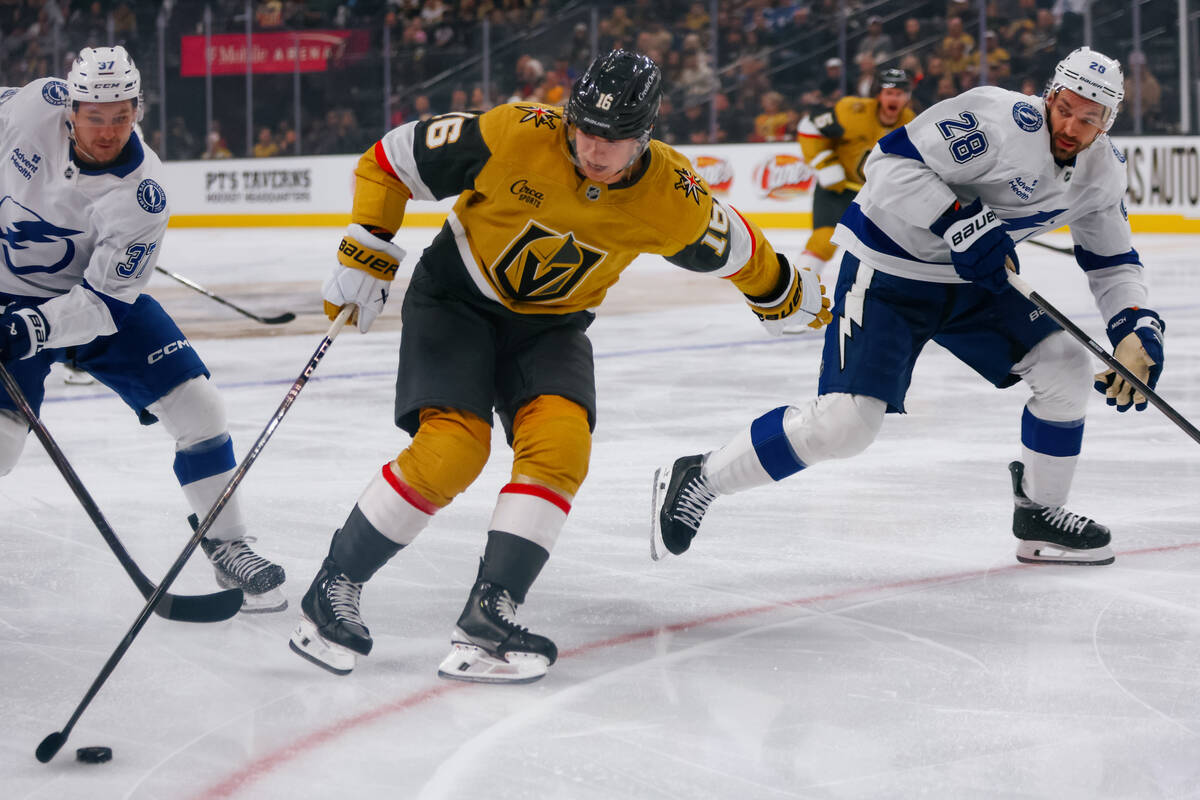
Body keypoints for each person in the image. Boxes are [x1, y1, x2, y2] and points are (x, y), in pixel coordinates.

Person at [288, 49, 832, 682]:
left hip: (550, 327)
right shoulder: (518, 131)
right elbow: (391, 160)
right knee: (453, 450)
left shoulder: (671, 196)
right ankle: (332, 588)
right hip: (456, 302)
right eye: (586, 130)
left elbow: (735, 244)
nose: (595, 149)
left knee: (562, 445)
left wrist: (784, 291)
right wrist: (368, 246)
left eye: (615, 138)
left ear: (646, 135)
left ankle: (487, 617)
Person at [652, 47, 1163, 569]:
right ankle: (702, 475)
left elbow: (1112, 259)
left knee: (1065, 365)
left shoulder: (1104, 171)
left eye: (1090, 118)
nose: (1073, 126)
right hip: (889, 268)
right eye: (1067, 107)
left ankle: (1040, 513)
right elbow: (888, 165)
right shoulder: (1000, 119)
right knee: (847, 425)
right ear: (1050, 95)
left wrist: (1134, 326)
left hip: (972, 279)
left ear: (1108, 123)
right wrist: (958, 220)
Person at [0, 46, 287, 613]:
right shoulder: (34, 106)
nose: (107, 130)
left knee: (199, 409)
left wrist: (29, 327)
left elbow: (105, 305)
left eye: (121, 116)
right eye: (94, 116)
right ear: (71, 108)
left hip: (86, 303)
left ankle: (228, 544)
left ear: (137, 110)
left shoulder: (143, 193)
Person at [796, 67, 914, 278]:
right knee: (823, 241)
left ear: (907, 97)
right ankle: (798, 285)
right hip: (838, 190)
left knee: (889, 253)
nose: (893, 98)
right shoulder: (852, 111)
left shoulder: (912, 123)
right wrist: (825, 164)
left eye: (899, 93)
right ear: (879, 95)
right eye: (889, 93)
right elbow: (809, 125)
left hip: (875, 197)